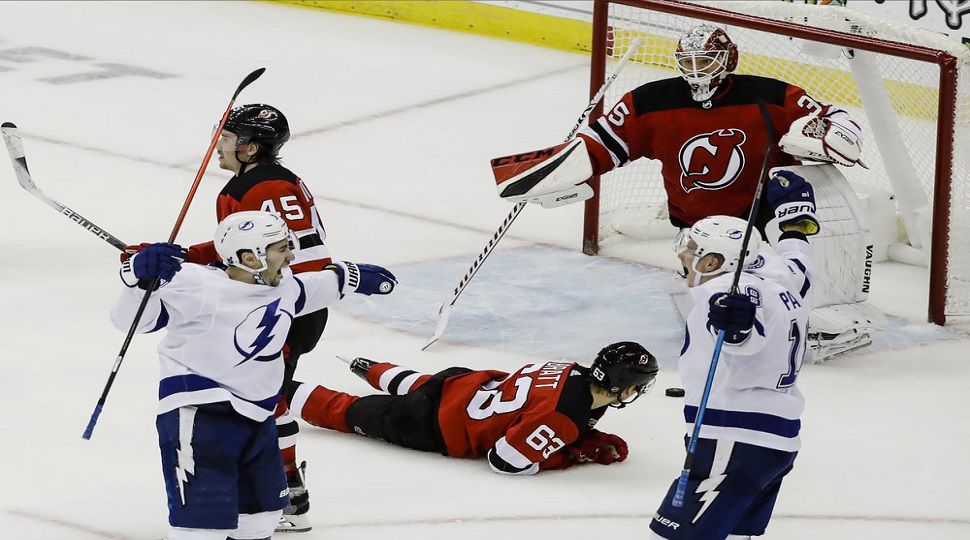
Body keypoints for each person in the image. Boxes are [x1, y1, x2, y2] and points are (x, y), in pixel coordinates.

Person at [490, 23, 874, 360]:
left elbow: (829, 116)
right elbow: (601, 145)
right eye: (688, 62)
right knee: (710, 314)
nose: (696, 72)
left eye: (705, 61)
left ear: (728, 60)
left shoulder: (772, 96)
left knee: (799, 267)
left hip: (764, 207)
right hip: (700, 223)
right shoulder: (649, 102)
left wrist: (836, 133)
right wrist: (549, 170)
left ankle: (828, 319)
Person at [111, 211, 396, 540]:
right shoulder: (198, 284)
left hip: (257, 420)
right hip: (200, 416)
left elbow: (315, 287)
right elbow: (131, 321)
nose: (290, 255)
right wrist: (136, 279)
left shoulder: (285, 287)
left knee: (261, 519)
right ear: (250, 258)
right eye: (280, 248)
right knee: (200, 529)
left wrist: (349, 277)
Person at [127, 104, 331, 531]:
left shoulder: (255, 190)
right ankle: (277, 492)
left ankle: (288, 496)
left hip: (282, 304)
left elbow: (261, 260)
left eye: (225, 137)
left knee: (264, 398)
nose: (216, 144)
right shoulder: (267, 181)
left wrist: (180, 269)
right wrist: (183, 255)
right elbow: (239, 253)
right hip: (288, 300)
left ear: (249, 146)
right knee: (260, 392)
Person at [649, 170, 817, 539]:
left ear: (712, 263)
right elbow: (800, 262)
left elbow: (742, 339)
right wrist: (793, 218)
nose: (682, 252)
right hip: (776, 440)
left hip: (733, 434)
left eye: (692, 248)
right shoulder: (780, 276)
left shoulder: (723, 290)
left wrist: (736, 324)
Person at [282, 342, 659, 474]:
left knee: (422, 383)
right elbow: (507, 461)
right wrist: (573, 453)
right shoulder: (563, 418)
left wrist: (583, 433)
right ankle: (273, 388)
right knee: (346, 410)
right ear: (623, 386)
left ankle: (368, 366)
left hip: (460, 384)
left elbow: (536, 406)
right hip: (432, 423)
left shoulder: (571, 370)